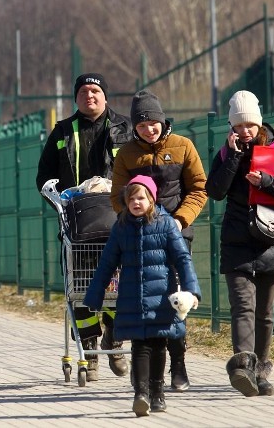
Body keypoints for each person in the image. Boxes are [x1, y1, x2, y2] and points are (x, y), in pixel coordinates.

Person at [205, 90, 274, 397]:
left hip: (270, 241)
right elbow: (215, 190)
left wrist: (266, 182)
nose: (245, 131)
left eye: (249, 124)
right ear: (231, 126)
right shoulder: (225, 154)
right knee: (242, 306)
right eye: (238, 125)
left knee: (264, 312)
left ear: (258, 123)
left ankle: (261, 371)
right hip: (237, 241)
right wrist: (234, 157)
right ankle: (242, 368)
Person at [36, 72, 132, 380]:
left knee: (119, 286)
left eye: (95, 91)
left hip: (118, 223)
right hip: (77, 227)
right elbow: (44, 178)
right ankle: (88, 354)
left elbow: (139, 173)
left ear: (105, 96)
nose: (89, 96)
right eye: (83, 92)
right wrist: (60, 206)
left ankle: (114, 340)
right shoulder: (63, 131)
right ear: (75, 97)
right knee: (81, 289)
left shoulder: (123, 128)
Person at [110, 90, 208, 391]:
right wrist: (136, 218)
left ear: (162, 120)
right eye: (141, 125)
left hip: (177, 236)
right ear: (135, 127)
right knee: (148, 302)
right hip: (140, 239)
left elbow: (198, 189)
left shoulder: (183, 146)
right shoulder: (126, 155)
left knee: (179, 301)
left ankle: (179, 365)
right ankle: (147, 368)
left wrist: (179, 221)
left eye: (152, 122)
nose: (148, 129)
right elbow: (117, 197)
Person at [83, 175, 201, 417]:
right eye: (131, 199)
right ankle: (141, 394)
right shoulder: (121, 227)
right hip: (131, 298)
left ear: (151, 199)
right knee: (139, 346)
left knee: (158, 346)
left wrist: (191, 289)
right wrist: (95, 294)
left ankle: (157, 393)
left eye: (141, 198)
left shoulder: (166, 225)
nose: (136, 203)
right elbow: (107, 263)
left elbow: (182, 259)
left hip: (161, 299)